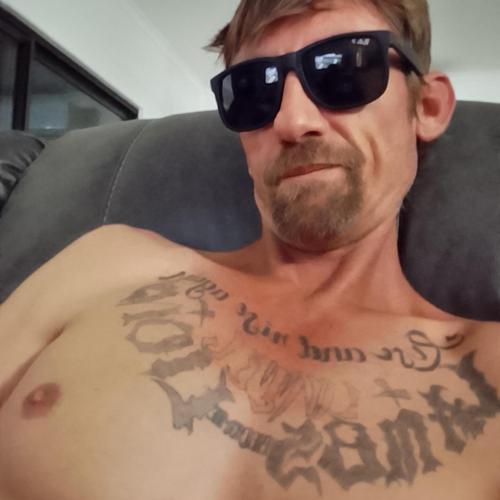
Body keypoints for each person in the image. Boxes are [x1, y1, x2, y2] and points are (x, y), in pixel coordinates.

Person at [1, 0, 499, 498]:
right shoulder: (108, 264)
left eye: (342, 70)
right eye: (254, 89)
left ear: (426, 106)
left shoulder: (488, 370)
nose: (291, 121)